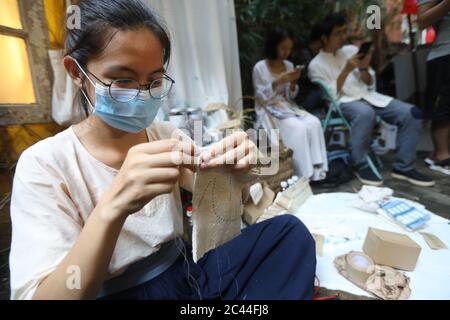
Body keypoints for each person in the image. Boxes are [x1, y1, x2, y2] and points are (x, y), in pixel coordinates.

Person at [9, 0, 316, 300]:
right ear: (76, 72)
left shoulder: (165, 135)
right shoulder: (45, 164)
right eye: (123, 80)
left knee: (288, 233)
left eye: (154, 80)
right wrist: (112, 208)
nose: (142, 94)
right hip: (119, 291)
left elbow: (224, 206)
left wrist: (237, 173)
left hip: (184, 272)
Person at [308, 13, 435, 187]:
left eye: (344, 32)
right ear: (324, 38)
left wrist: (363, 68)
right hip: (343, 102)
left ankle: (404, 166)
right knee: (365, 113)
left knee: (412, 113)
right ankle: (359, 162)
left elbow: (369, 83)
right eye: (338, 33)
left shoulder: (351, 51)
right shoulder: (315, 64)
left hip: (369, 96)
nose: (343, 37)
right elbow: (332, 94)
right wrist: (346, 70)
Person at [253, 28, 328, 181]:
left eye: (289, 48)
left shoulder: (288, 65)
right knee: (298, 128)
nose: (286, 52)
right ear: (273, 46)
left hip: (287, 106)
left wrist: (293, 83)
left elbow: (290, 95)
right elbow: (261, 98)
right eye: (283, 48)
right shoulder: (260, 67)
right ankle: (302, 174)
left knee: (314, 123)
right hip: (268, 109)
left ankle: (317, 171)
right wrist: (276, 82)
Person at [418, 0, 450, 174]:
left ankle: (438, 153)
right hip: (445, 54)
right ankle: (441, 156)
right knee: (443, 108)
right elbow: (422, 21)